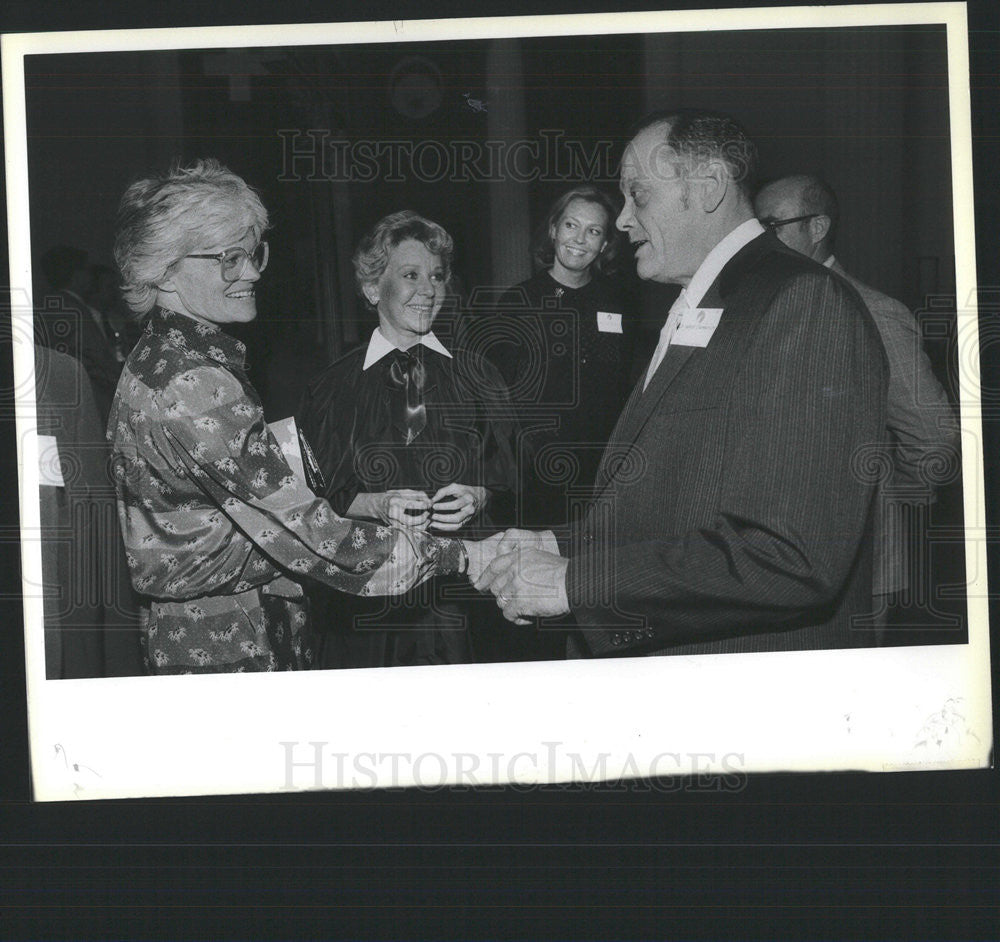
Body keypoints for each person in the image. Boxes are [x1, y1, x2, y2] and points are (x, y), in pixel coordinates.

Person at [475, 109, 889, 658]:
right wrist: (556, 544)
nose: (621, 221)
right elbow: (671, 507)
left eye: (638, 195)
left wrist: (569, 583)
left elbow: (790, 557)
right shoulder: (710, 302)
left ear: (710, 186)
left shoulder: (803, 303)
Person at [109, 160, 487, 674]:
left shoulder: (157, 355)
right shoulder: (196, 383)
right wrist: (458, 556)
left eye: (253, 252)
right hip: (232, 639)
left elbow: (214, 481)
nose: (253, 271)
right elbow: (307, 533)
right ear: (164, 270)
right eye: (229, 258)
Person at [297, 211, 518, 668]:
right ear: (373, 287)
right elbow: (309, 502)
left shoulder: (479, 376)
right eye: (411, 275)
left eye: (437, 275)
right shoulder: (332, 387)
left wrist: (480, 493)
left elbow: (514, 474)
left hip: (463, 600)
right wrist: (376, 504)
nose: (429, 288)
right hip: (371, 605)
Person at [754, 174, 961, 629]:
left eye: (772, 225)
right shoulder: (763, 305)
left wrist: (878, 497)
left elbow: (933, 437)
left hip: (855, 570)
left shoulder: (873, 311)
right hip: (770, 561)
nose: (759, 239)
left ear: (818, 226)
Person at [473, 186, 635, 531]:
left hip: (599, 471)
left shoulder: (617, 303)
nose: (579, 239)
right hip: (533, 475)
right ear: (553, 230)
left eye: (593, 231)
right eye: (570, 226)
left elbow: (623, 387)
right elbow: (494, 398)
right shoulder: (519, 301)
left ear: (605, 243)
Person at [35, 245, 123, 423]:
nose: (91, 277)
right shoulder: (72, 309)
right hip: (91, 401)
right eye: (87, 270)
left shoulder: (52, 304)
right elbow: (94, 356)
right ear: (76, 274)